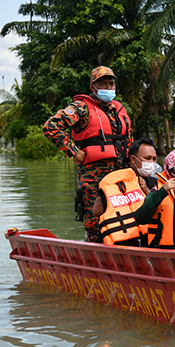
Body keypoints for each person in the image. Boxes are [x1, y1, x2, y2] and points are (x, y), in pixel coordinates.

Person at [43, 66, 133, 242]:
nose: (108, 88)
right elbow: (50, 126)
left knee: (124, 215)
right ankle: (94, 248)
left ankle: (124, 248)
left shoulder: (119, 109)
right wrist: (73, 151)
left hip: (121, 173)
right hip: (94, 174)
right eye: (103, 84)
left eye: (111, 84)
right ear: (93, 87)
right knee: (95, 219)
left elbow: (128, 140)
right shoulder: (81, 108)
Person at [91, 139, 159, 243]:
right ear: (133, 159)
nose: (152, 163)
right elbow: (97, 211)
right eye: (147, 158)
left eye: (154, 159)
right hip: (119, 241)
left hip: (148, 239)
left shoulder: (156, 183)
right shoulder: (115, 182)